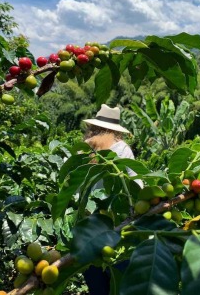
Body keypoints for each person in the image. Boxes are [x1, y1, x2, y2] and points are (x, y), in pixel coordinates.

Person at [82, 104, 139, 295]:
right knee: (120, 282)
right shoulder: (121, 149)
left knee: (97, 286)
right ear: (116, 130)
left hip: (88, 230)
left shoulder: (82, 152)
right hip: (117, 228)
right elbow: (137, 187)